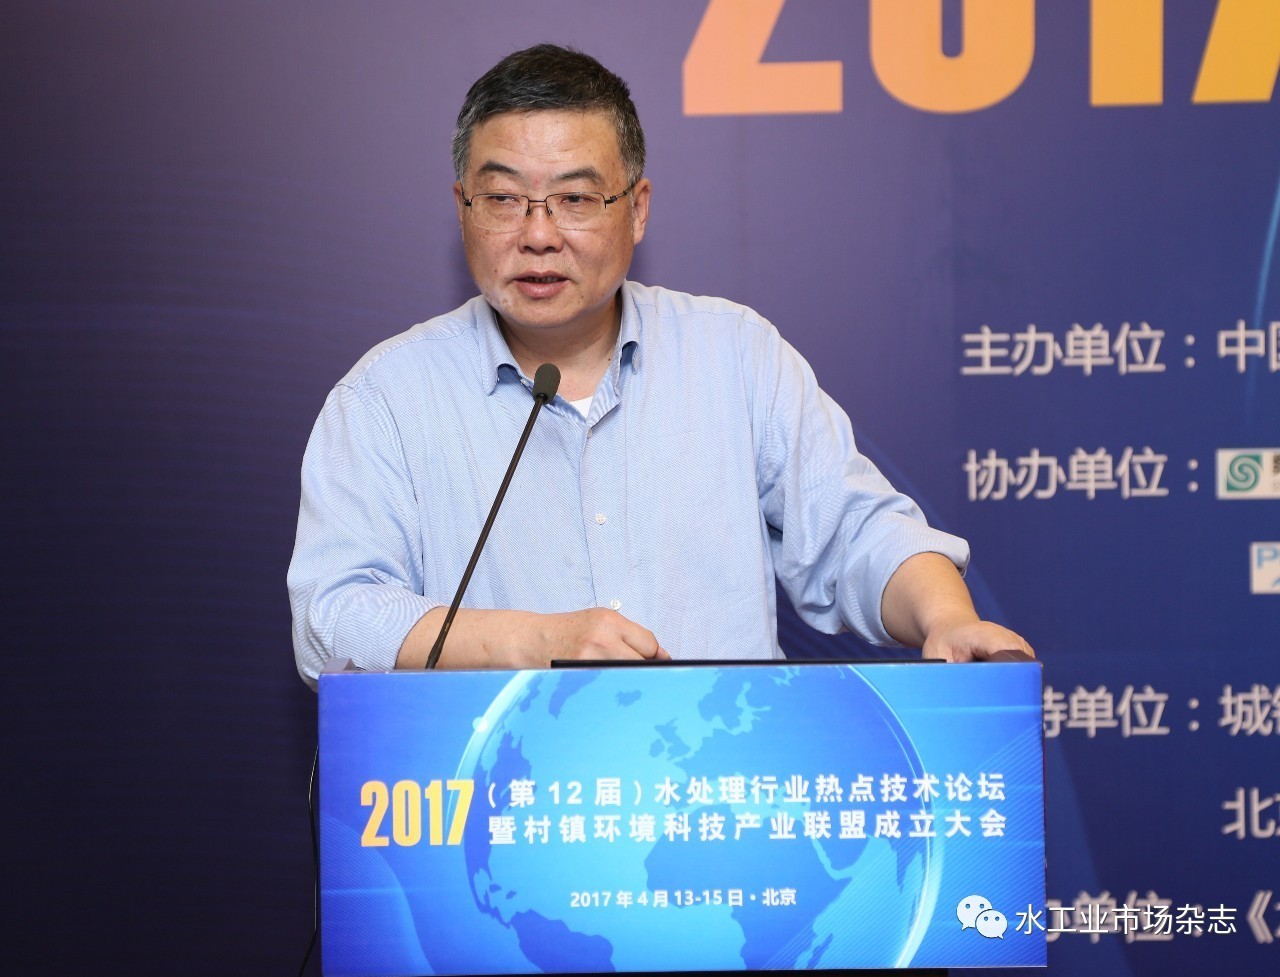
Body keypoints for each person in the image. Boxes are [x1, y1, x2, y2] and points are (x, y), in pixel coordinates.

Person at [288, 44, 1032, 687]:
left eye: (575, 197)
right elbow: (334, 618)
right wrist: (534, 642)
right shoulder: (387, 397)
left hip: (726, 790)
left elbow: (855, 534)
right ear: (463, 208)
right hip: (504, 798)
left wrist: (947, 617)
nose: (538, 234)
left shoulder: (734, 355)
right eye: (505, 198)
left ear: (637, 209)